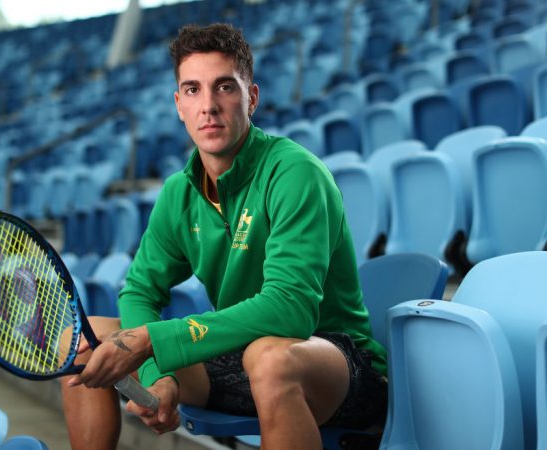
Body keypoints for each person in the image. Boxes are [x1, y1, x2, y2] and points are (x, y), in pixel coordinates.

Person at [61, 23, 388, 450]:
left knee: (269, 359)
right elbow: (140, 290)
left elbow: (290, 310)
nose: (209, 106)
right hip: (241, 356)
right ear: (179, 105)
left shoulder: (295, 173)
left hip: (335, 363)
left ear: (251, 97)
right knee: (82, 341)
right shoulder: (179, 192)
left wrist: (153, 340)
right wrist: (158, 375)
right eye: (192, 90)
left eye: (225, 87)